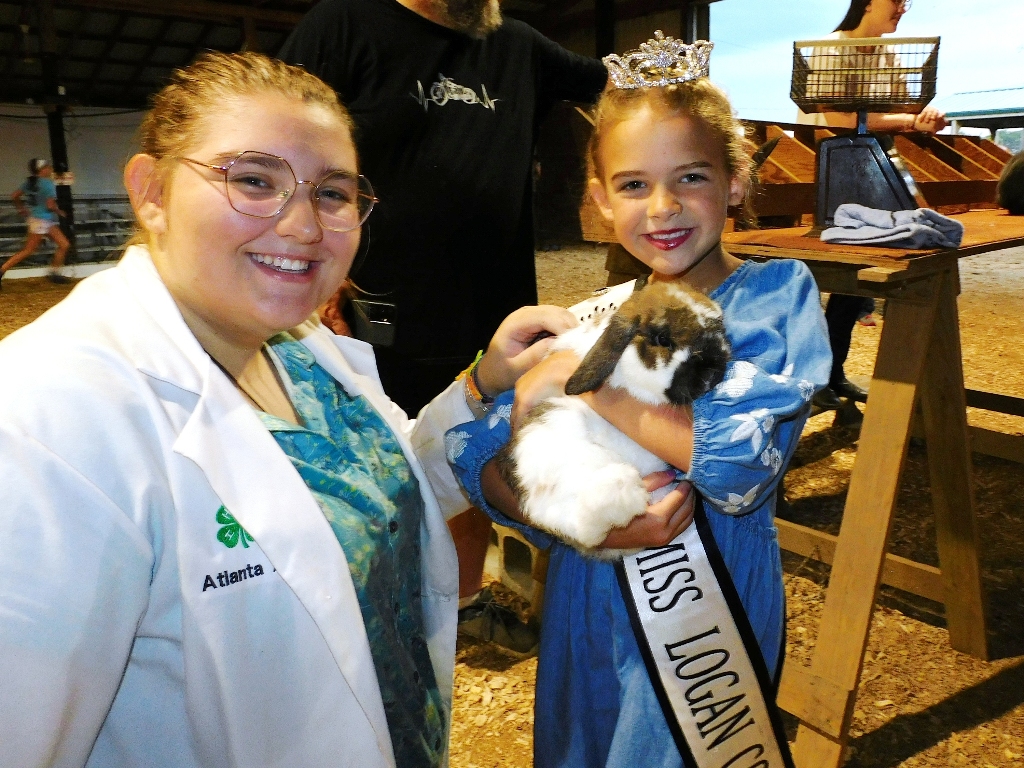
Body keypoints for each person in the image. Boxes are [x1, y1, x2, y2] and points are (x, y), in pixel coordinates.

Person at [0, 51, 584, 767]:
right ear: (151, 192)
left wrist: (482, 386)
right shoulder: (46, 421)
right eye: (253, 180)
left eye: (332, 193)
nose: (304, 226)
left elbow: (374, 492)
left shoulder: (302, 349)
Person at [446, 35, 831, 767]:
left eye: (691, 177)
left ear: (736, 181)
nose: (663, 207)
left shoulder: (775, 298)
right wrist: (565, 513)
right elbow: (481, 464)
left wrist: (588, 386)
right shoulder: (595, 314)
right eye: (632, 185)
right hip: (586, 600)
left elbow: (743, 468)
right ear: (599, 200)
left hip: (707, 612)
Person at [277, 0, 609, 640]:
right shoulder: (343, 26)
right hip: (373, 311)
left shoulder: (519, 46)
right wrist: (315, 265)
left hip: (495, 315)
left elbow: (619, 86)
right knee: (379, 462)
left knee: (472, 445)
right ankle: (376, 610)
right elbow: (276, 138)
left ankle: (461, 601)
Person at [799, 0, 947, 409]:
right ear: (867, 2)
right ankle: (812, 379)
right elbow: (840, 119)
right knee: (822, 281)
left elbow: (901, 109)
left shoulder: (887, 53)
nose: (902, 8)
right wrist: (908, 121)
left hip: (870, 164)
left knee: (854, 286)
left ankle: (832, 374)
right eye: (895, 0)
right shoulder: (830, 49)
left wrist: (925, 117)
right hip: (833, 166)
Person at [1, 157, 72, 289]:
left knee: (64, 244)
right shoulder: (47, 184)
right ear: (42, 170)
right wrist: (59, 211)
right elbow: (50, 205)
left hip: (39, 220)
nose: (50, 169)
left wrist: (21, 208)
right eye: (47, 167)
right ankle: (2, 270)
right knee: (28, 250)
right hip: (42, 221)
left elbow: (15, 195)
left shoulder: (29, 182)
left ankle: (54, 273)